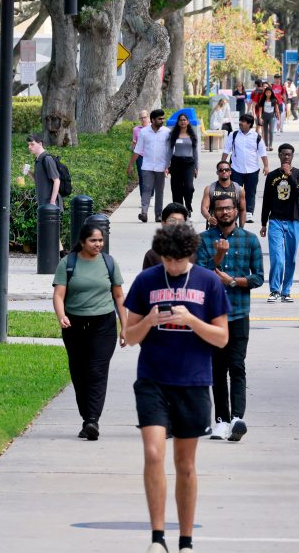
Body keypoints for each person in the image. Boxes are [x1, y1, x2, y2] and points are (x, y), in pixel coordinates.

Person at [123, 223, 230, 553]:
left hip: (193, 380)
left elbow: (222, 338)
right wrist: (149, 321)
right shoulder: (146, 281)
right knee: (154, 453)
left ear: (190, 255)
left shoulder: (208, 282)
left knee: (185, 464)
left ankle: (185, 540)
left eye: (178, 260)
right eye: (167, 260)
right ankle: (157, 538)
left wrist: (192, 321)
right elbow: (129, 336)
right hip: (153, 379)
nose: (172, 266)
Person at [198, 196, 265, 441]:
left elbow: (258, 278)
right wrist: (217, 257)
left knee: (237, 366)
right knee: (217, 369)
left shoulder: (250, 240)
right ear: (213, 213)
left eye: (229, 208)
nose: (225, 212)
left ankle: (237, 418)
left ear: (237, 211)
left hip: (238, 313)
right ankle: (221, 420)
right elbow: (199, 273)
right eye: (220, 209)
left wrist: (233, 281)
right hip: (213, 316)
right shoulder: (204, 239)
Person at [52, 223, 126, 441]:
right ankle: (87, 419)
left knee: (97, 371)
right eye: (93, 240)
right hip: (74, 325)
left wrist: (125, 326)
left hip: (103, 324)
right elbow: (58, 295)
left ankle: (93, 419)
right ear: (82, 241)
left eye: (100, 240)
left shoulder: (109, 263)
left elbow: (119, 297)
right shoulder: (68, 263)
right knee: (79, 372)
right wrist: (61, 315)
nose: (98, 244)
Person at [260, 144, 299, 303]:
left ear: (292, 156)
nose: (286, 157)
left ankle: (286, 291)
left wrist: (289, 175)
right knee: (277, 258)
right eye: (284, 154)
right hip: (275, 221)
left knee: (290, 258)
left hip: (294, 220)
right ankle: (274, 290)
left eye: (289, 154)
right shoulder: (272, 176)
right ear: (279, 156)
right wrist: (263, 223)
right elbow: (266, 200)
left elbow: (298, 193)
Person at [221, 113, 269, 223]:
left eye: (243, 121)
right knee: (235, 191)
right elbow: (226, 150)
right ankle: (235, 211)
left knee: (250, 191)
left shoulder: (256, 137)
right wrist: (223, 164)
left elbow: (263, 152)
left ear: (249, 124)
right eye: (240, 121)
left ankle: (249, 213)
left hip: (252, 169)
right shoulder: (233, 135)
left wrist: (266, 166)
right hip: (236, 169)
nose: (240, 123)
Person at [129, 109, 170, 223]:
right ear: (152, 120)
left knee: (159, 191)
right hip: (147, 166)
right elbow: (138, 149)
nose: (162, 120)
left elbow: (170, 150)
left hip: (161, 167)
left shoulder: (167, 132)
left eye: (163, 118)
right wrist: (131, 165)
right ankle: (144, 213)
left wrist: (168, 166)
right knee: (146, 189)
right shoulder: (144, 132)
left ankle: (158, 215)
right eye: (159, 119)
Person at [167, 112, 199, 212]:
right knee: (176, 188)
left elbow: (195, 152)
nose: (182, 122)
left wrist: (196, 167)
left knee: (189, 187)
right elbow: (169, 151)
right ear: (178, 122)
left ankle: (188, 205)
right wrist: (167, 165)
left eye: (184, 120)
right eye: (181, 120)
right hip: (176, 162)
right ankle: (179, 209)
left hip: (189, 163)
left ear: (188, 122)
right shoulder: (173, 134)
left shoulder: (192, 135)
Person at [143, 203, 189, 269]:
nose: (176, 224)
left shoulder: (191, 254)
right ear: (163, 223)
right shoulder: (152, 255)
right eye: (172, 220)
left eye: (181, 221)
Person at [201, 161, 246, 228]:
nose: (224, 172)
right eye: (221, 170)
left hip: (232, 228)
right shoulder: (209, 189)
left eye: (227, 170)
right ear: (217, 172)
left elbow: (242, 210)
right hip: (215, 228)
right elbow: (204, 208)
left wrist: (241, 229)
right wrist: (209, 218)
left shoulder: (239, 189)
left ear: (230, 172)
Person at [27, 133, 61, 210]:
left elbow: (56, 180)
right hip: (43, 205)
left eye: (32, 144)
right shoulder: (38, 160)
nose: (29, 147)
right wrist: (28, 172)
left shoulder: (47, 159)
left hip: (51, 206)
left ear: (40, 144)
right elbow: (37, 180)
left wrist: (52, 202)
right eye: (28, 145)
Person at [132, 110, 151, 190]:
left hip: (151, 156)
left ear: (148, 118)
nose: (143, 119)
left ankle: (151, 195)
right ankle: (143, 199)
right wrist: (133, 145)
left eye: (145, 117)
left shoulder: (153, 128)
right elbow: (133, 146)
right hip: (140, 156)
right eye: (141, 118)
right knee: (142, 176)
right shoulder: (136, 129)